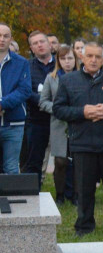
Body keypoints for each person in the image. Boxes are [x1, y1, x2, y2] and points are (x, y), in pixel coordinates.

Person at [52, 42, 103, 237]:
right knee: (84, 189)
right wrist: (83, 112)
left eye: (98, 57)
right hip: (82, 143)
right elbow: (58, 109)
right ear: (82, 57)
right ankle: (84, 225)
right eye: (90, 56)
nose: (93, 60)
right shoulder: (69, 81)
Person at [38, 44, 79, 204]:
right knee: (60, 161)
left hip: (77, 123)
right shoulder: (52, 77)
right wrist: (58, 109)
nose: (67, 62)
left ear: (75, 60)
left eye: (70, 58)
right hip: (59, 124)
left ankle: (76, 194)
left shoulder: (82, 77)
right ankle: (60, 194)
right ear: (58, 61)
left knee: (77, 160)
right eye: (63, 58)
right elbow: (43, 101)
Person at [21, 30, 54, 188]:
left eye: (42, 41)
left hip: (61, 119)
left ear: (49, 44)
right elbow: (27, 92)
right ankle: (32, 194)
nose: (39, 45)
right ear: (31, 48)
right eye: (35, 43)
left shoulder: (60, 64)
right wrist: (46, 103)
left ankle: (67, 196)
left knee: (65, 161)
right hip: (36, 120)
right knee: (34, 161)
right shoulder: (26, 67)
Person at [0, 22, 32, 175]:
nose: (2, 39)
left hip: (14, 123)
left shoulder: (21, 63)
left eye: (5, 36)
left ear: (11, 39)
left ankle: (12, 199)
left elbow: (25, 90)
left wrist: (2, 104)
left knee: (11, 168)